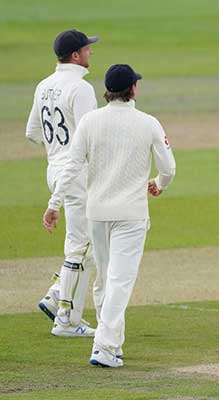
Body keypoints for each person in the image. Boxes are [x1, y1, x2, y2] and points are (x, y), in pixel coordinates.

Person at [43, 64, 176, 367]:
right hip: (130, 215)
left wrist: (54, 204)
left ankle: (112, 345)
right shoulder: (148, 123)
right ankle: (104, 346)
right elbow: (169, 168)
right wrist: (159, 184)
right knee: (118, 282)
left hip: (97, 215)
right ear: (132, 89)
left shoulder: (90, 122)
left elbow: (72, 166)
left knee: (105, 281)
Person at [26, 29, 99, 337]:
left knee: (88, 245)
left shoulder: (44, 85)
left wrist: (57, 150)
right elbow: (91, 138)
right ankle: (65, 317)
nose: (90, 53)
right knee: (81, 246)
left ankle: (58, 295)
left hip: (55, 168)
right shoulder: (81, 88)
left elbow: (32, 132)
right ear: (75, 55)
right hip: (76, 172)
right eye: (87, 49)